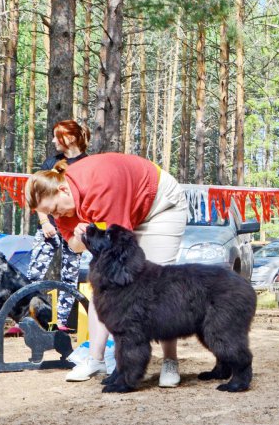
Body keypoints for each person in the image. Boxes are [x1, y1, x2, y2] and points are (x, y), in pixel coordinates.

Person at [25, 153, 188, 386]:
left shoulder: (101, 187)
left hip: (159, 205)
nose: (55, 217)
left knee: (156, 286)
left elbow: (120, 245)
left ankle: (170, 360)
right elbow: (74, 246)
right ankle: (96, 358)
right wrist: (81, 234)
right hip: (124, 211)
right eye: (50, 214)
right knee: (103, 284)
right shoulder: (63, 206)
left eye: (55, 210)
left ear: (62, 190)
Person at [26, 120, 91, 331]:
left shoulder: (87, 164)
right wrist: (45, 222)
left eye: (57, 136)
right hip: (48, 229)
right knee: (34, 272)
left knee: (69, 276)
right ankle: (29, 317)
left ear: (70, 138)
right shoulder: (50, 163)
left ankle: (61, 321)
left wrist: (81, 228)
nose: (53, 140)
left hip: (74, 230)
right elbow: (38, 195)